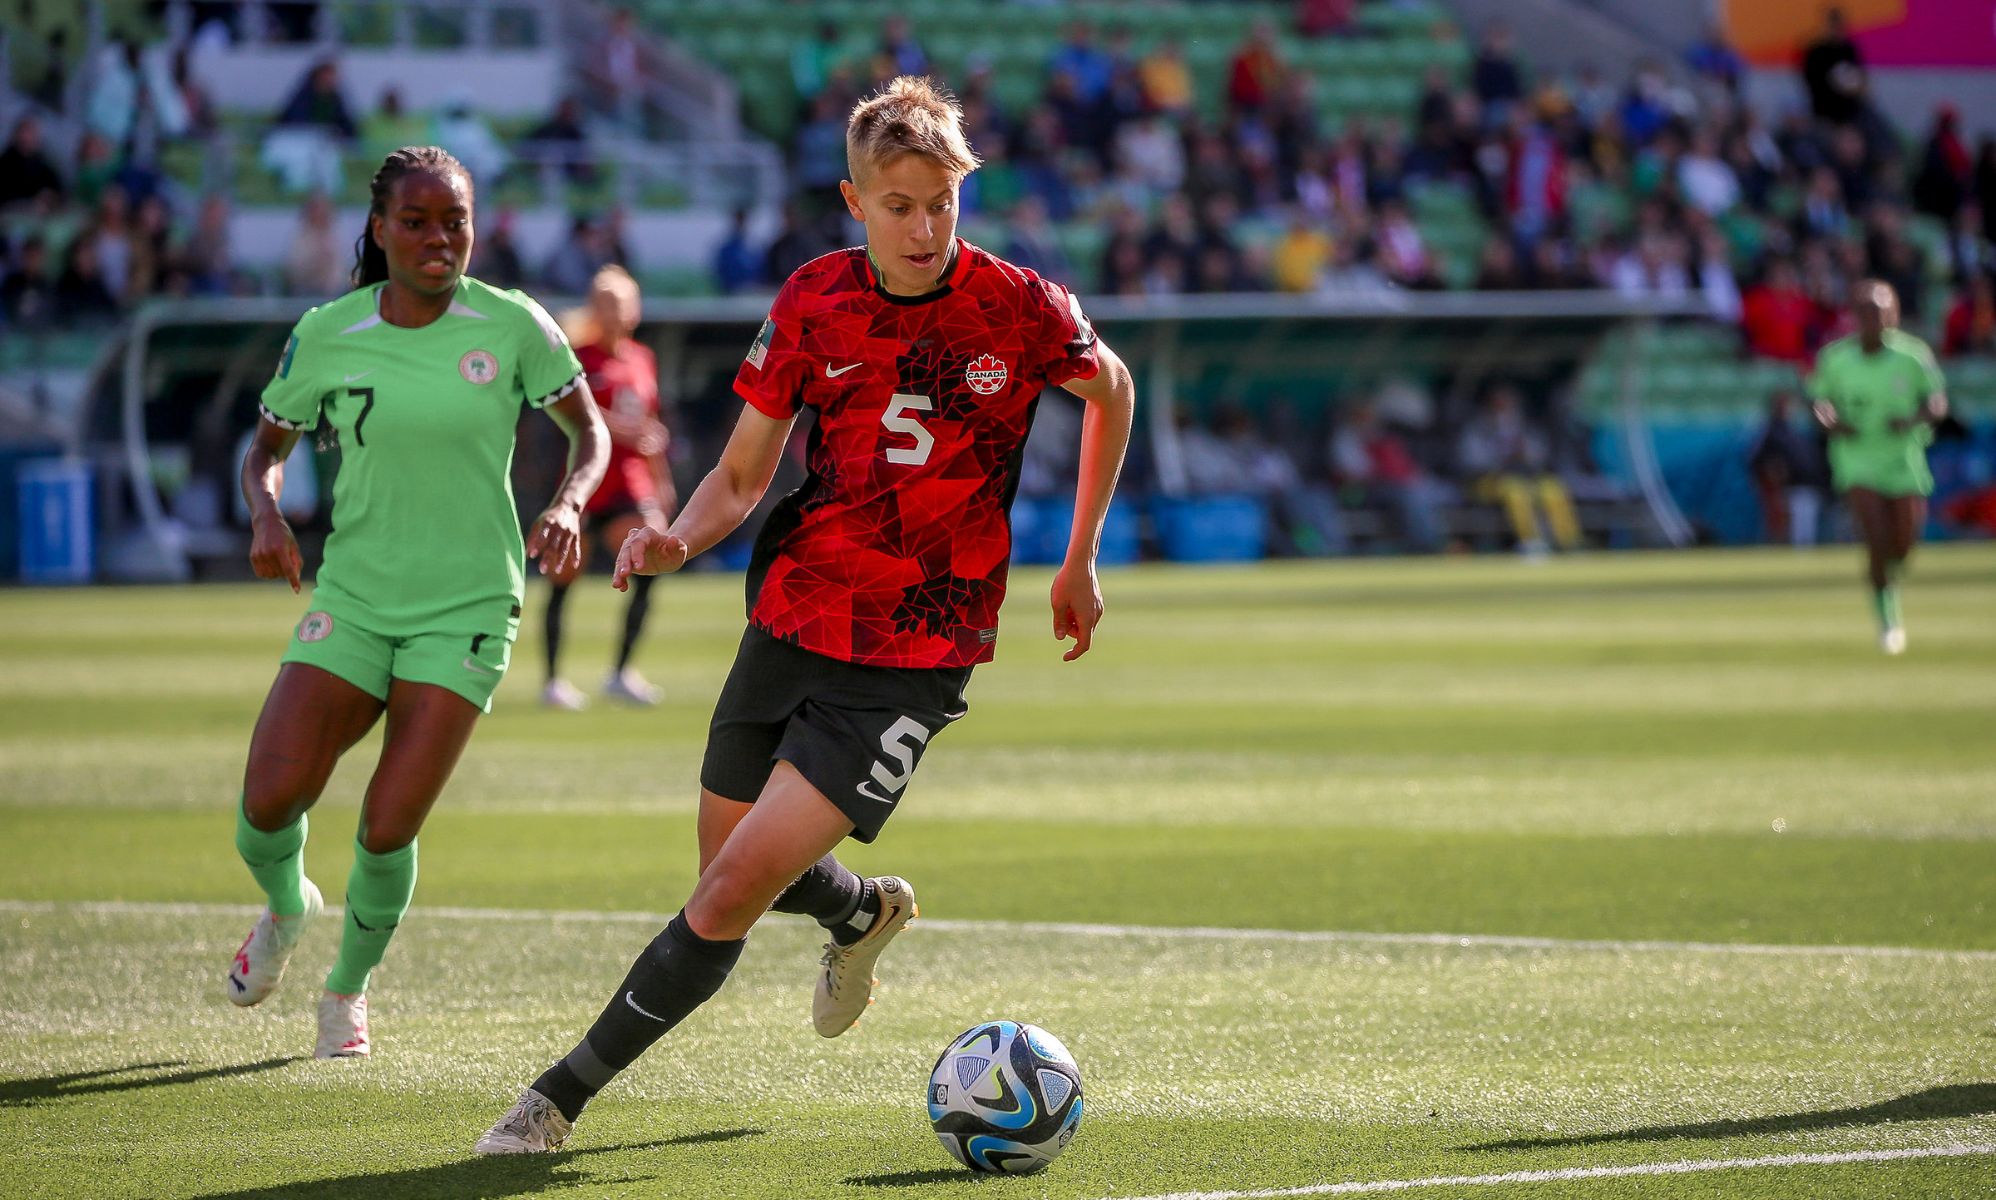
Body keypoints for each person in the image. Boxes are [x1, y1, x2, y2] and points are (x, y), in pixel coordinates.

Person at [475, 76, 1135, 1154]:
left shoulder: (1020, 307)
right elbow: (740, 476)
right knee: (727, 873)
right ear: (854, 199)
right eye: (899, 205)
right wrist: (675, 538)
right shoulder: (812, 301)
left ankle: (553, 1102)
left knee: (731, 889)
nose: (924, 228)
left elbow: (1110, 390)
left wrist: (1080, 557)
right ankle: (856, 912)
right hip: (790, 614)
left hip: (917, 648)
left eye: (942, 203)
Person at [225, 146, 610, 1058]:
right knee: (268, 802)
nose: (440, 240)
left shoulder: (514, 324)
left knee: (387, 821)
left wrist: (566, 502)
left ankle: (345, 993)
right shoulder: (326, 332)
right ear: (379, 229)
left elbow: (588, 433)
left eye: (456, 223)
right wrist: (267, 513)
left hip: (469, 605)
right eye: (418, 222)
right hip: (354, 597)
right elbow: (265, 448)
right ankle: (286, 906)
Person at [542, 265, 677, 709]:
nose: (613, 310)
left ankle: (620, 673)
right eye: (604, 301)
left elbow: (650, 427)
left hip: (629, 483)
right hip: (585, 479)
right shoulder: (577, 358)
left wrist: (662, 481)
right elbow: (577, 416)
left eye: (620, 302)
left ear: (635, 309)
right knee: (564, 577)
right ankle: (553, 681)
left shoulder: (642, 358)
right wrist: (627, 432)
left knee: (653, 552)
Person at [1808, 280, 1947, 654]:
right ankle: (1888, 617)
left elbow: (1936, 401)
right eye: (1868, 311)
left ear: (1895, 314)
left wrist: (1916, 418)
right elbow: (1819, 401)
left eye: (1883, 311)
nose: (1877, 318)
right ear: (1855, 317)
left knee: (1902, 544)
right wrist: (1832, 422)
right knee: (1876, 534)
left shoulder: (1913, 356)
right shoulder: (1836, 358)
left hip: (1902, 457)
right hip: (1857, 457)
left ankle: (1886, 581)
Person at [1457, 384, 1582, 555]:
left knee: (1552, 488)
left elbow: (1540, 456)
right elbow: (1470, 461)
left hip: (1527, 476)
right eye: (1499, 402)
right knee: (1516, 491)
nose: (1504, 406)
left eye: (1508, 402)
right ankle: (1532, 542)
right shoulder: (1477, 429)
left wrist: (1525, 454)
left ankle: (1568, 542)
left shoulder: (1523, 426)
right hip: (1489, 481)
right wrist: (1500, 461)